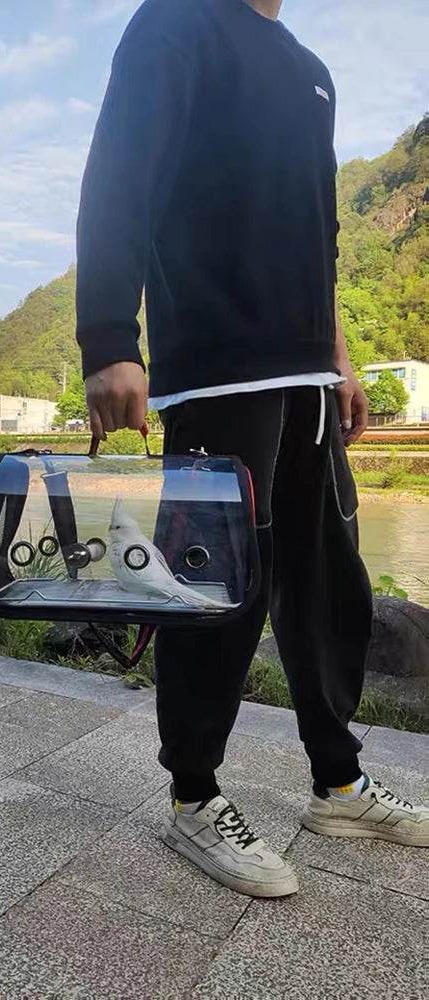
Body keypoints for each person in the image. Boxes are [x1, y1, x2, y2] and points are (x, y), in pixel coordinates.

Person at [76, 0, 428, 898]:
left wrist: (339, 359)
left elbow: (320, 237)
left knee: (327, 583)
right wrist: (111, 338)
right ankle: (195, 798)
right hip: (217, 373)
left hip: (307, 379)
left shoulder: (311, 66)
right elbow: (120, 173)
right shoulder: (177, 22)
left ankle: (338, 783)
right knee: (215, 590)